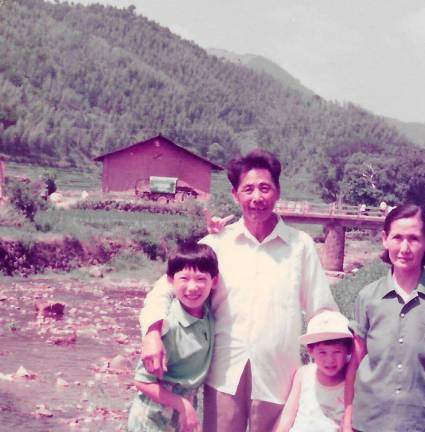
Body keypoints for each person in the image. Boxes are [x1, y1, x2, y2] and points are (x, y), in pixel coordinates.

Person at [139, 149, 337, 432]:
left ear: (277, 192)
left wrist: (335, 363)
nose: (257, 197)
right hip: (224, 373)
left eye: (265, 188)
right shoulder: (218, 244)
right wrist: (152, 334)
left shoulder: (300, 246)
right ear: (235, 195)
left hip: (279, 376)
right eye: (249, 189)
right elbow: (166, 288)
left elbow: (322, 310)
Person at [343, 204, 425, 432]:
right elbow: (355, 364)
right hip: (369, 422)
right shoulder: (367, 297)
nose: (404, 248)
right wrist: (348, 419)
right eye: (397, 238)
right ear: (384, 239)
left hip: (421, 424)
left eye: (414, 239)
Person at [127, 242, 219, 432]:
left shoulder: (207, 310)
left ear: (214, 282)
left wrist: (217, 234)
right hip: (152, 416)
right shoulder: (167, 326)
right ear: (170, 281)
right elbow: (142, 381)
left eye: (201, 279)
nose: (192, 287)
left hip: (183, 409)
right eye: (184, 278)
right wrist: (183, 406)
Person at [275, 310, 353, 432]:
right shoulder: (304, 374)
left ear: (348, 350)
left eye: (337, 352)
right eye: (322, 352)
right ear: (310, 350)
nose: (330, 359)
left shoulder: (350, 380)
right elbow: (288, 414)